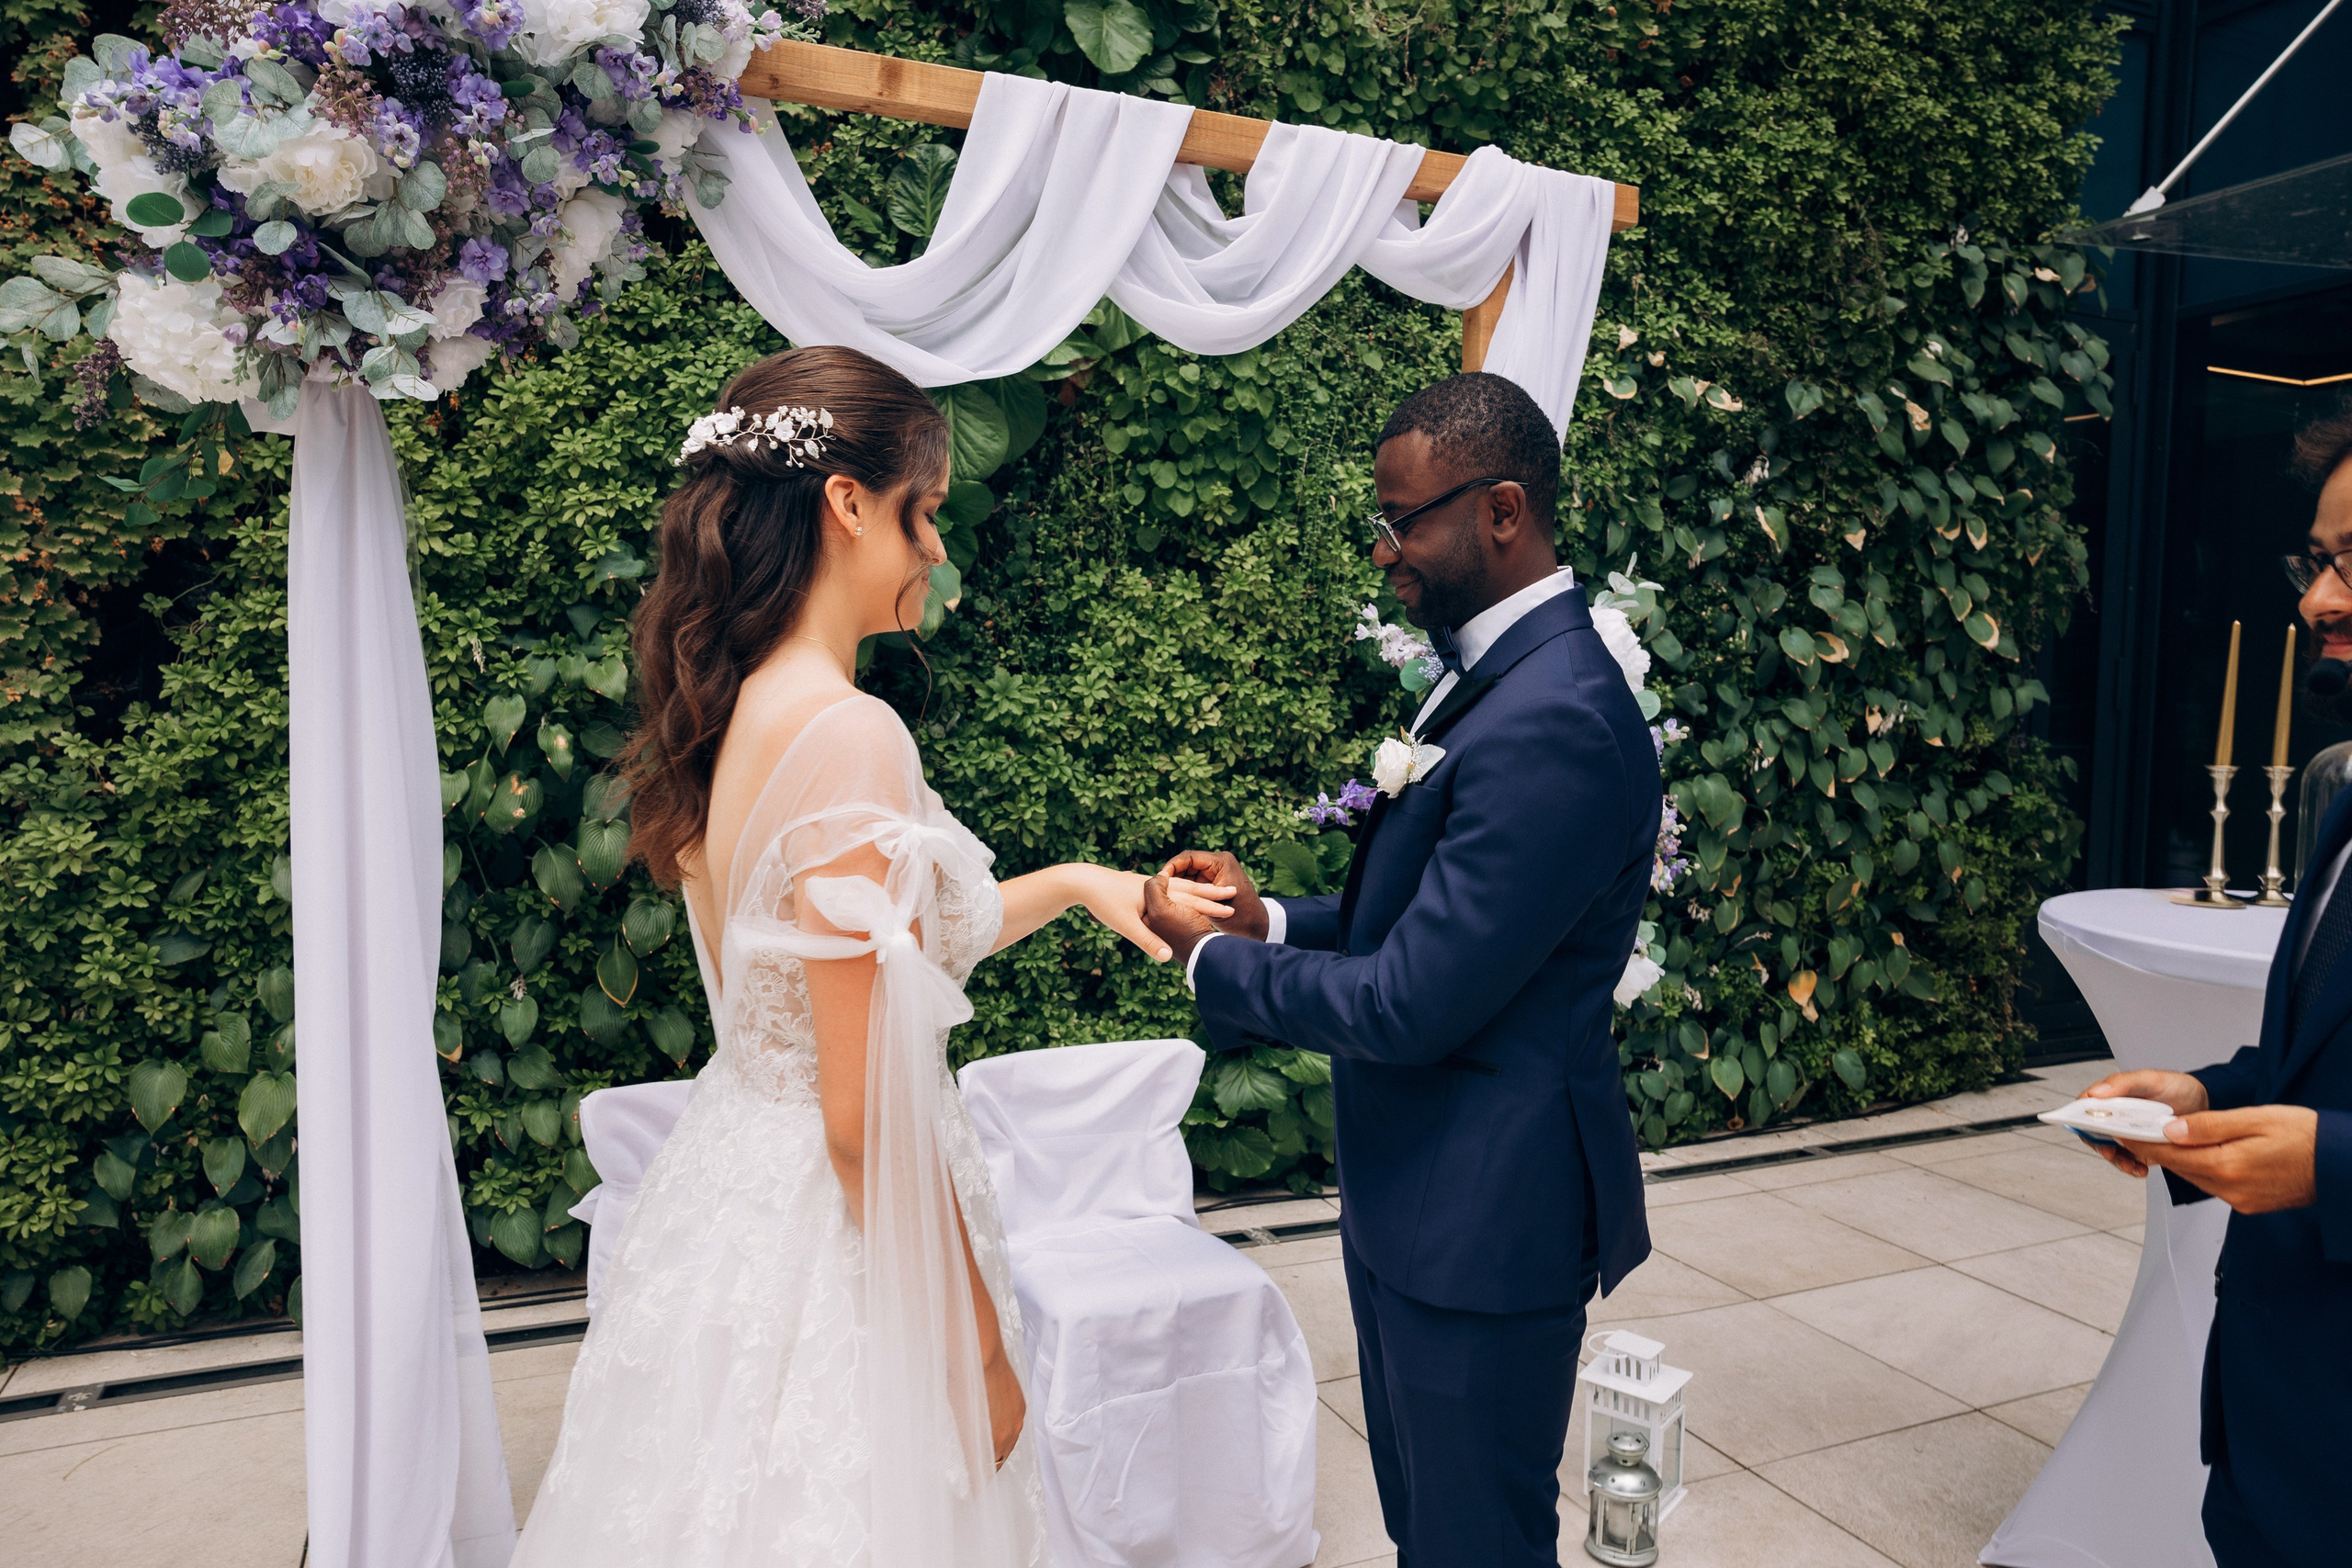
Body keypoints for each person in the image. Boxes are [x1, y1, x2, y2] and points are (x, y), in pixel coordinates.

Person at [508, 346, 1177, 1568]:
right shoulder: (849, 730)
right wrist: (978, 1350)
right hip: (839, 1231)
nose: (936, 547)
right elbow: (862, 1117)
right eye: (925, 511)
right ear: (848, 502)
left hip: (735, 1190)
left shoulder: (737, 704)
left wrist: (1081, 882)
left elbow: (884, 954)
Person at [1141, 372, 1662, 1568]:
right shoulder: (1493, 676)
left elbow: (1410, 1001)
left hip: (1487, 1219)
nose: (1385, 553)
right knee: (1428, 1529)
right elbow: (1434, 921)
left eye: (1404, 520)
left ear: (1502, 509)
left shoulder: (1557, 715)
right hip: (1420, 1199)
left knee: (1475, 1542)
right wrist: (1270, 920)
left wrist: (1212, 962)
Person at [2081, 402, 2352, 1568]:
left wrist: (2331, 1168)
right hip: (2275, 1424)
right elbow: (2314, 1066)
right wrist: (2200, 1094)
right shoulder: (2342, 798)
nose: (2318, 600)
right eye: (2316, 561)